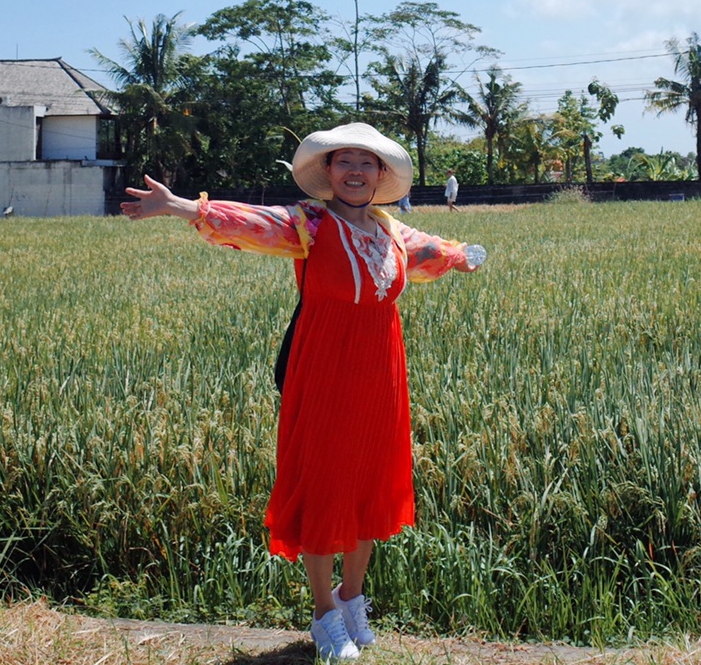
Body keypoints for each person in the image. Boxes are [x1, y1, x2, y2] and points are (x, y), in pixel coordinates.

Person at [121, 123, 485, 661]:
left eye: (367, 163)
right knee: (323, 482)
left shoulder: (390, 231)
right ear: (329, 173)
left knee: (370, 481)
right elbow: (252, 222)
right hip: (323, 370)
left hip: (381, 371)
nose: (356, 172)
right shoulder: (308, 224)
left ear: (381, 176)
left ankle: (353, 598)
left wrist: (461, 255)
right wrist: (179, 206)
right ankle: (323, 614)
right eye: (345, 162)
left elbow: (430, 252)